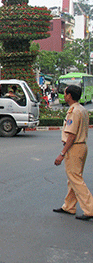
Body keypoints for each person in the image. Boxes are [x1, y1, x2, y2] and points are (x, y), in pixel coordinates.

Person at [53, 85, 93, 221]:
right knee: (73, 178)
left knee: (75, 178)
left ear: (69, 95)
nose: (64, 95)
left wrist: (62, 153)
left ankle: (90, 209)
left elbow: (71, 135)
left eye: (65, 93)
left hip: (74, 147)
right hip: (82, 146)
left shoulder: (74, 111)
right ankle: (69, 206)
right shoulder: (82, 109)